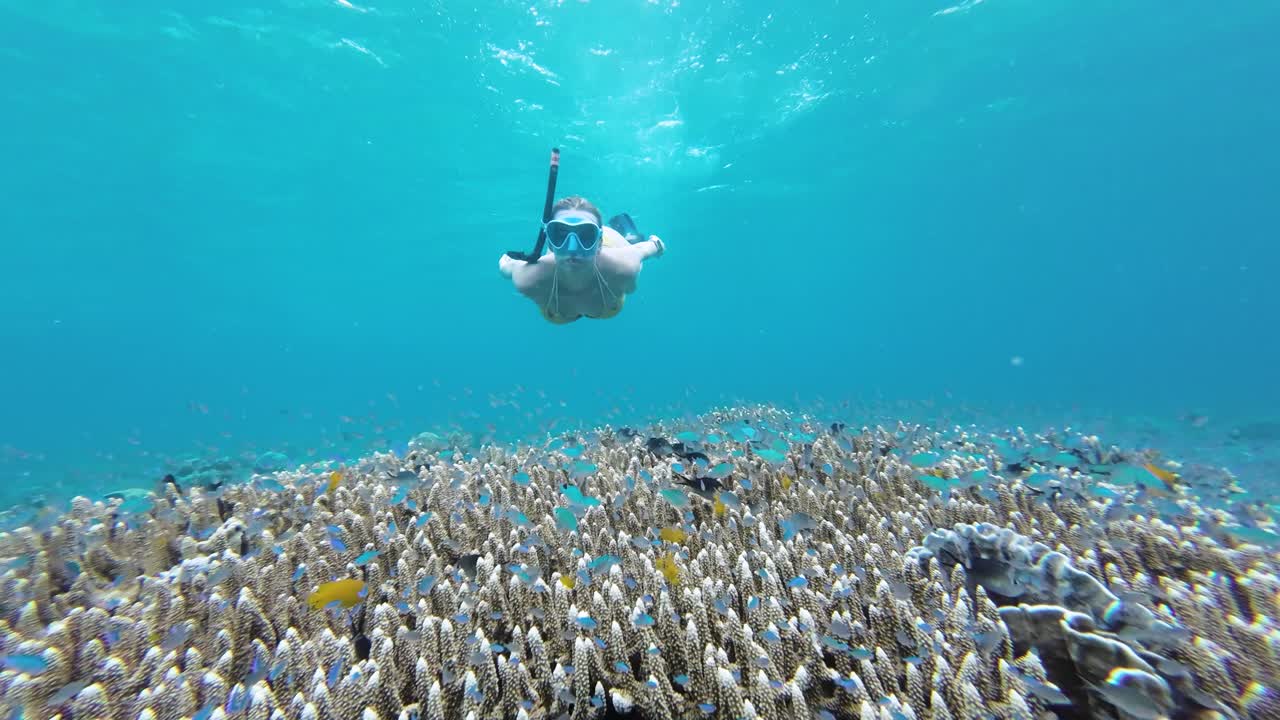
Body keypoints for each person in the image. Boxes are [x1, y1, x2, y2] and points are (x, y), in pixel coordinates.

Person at [498, 196, 665, 324]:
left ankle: (626, 234)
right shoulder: (528, 278)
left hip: (611, 246)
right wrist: (505, 266)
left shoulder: (624, 267)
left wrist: (657, 245)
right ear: (549, 242)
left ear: (599, 243)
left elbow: (645, 248)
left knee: (630, 242)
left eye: (586, 235)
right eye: (560, 234)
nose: (572, 249)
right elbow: (507, 267)